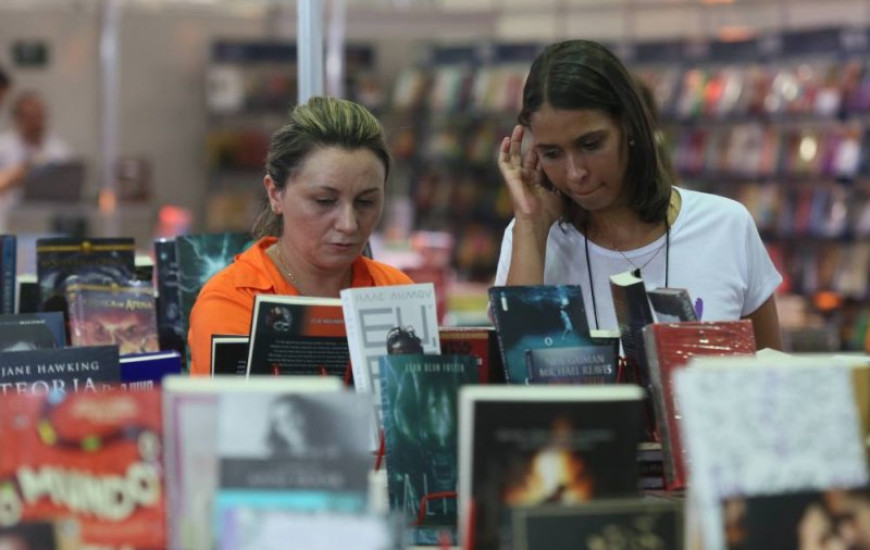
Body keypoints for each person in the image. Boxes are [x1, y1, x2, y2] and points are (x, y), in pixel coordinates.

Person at [494, 40, 783, 350]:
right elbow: (518, 375)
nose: (575, 172)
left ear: (629, 126)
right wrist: (529, 223)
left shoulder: (725, 226)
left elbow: (770, 373)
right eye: (552, 154)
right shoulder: (530, 237)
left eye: (590, 145)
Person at [188, 96, 414, 375]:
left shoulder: (394, 290)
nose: (349, 224)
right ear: (275, 194)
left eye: (365, 202)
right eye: (324, 200)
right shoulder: (233, 301)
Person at [0, 91, 72, 232]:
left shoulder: (59, 150)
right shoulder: (2, 147)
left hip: (49, 222)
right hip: (8, 220)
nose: (35, 122)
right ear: (17, 119)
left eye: (39, 116)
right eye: (29, 117)